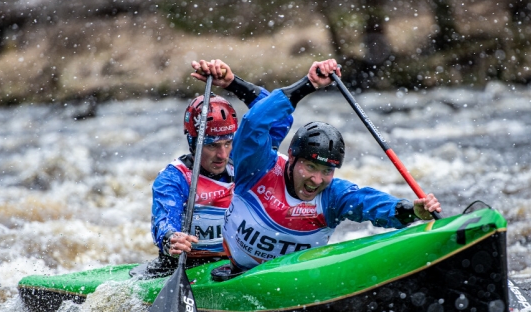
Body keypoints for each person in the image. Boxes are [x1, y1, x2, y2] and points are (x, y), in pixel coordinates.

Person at [220, 59, 442, 272]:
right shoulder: (257, 169)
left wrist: (410, 211)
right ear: (292, 157)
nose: (317, 180)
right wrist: (308, 84)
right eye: (310, 167)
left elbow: (368, 203)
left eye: (327, 170)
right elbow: (254, 123)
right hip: (238, 273)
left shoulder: (333, 196)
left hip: (300, 281)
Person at [135, 59, 291, 278]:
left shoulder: (246, 159)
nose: (223, 154)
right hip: (188, 268)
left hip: (234, 265)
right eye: (212, 145)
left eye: (228, 143)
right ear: (193, 142)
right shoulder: (174, 178)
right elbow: (164, 220)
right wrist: (171, 237)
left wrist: (233, 83)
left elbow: (279, 116)